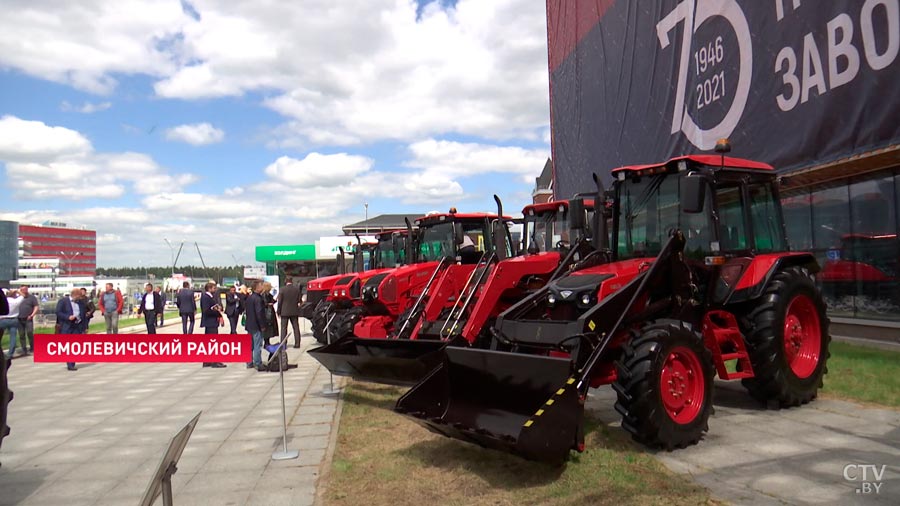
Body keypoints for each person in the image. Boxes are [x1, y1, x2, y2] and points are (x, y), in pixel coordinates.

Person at [56, 289, 86, 371]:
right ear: (75, 295)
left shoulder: (80, 303)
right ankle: (70, 364)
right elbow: (58, 312)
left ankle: (72, 362)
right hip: (67, 326)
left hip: (77, 326)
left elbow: (83, 314)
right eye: (79, 296)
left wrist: (84, 327)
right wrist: (67, 317)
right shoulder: (63, 301)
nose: (80, 298)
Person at [199, 282, 226, 368]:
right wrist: (217, 312)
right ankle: (214, 361)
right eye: (214, 288)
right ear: (209, 289)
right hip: (210, 322)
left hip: (211, 322)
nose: (215, 290)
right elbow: (207, 310)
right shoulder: (206, 297)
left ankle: (207, 360)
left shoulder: (209, 297)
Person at [244, 282, 267, 371]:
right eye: (261, 286)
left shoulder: (249, 298)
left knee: (250, 345)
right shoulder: (258, 299)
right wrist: (262, 325)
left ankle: (249, 362)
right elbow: (259, 313)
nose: (263, 287)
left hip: (249, 324)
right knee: (257, 344)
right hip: (256, 325)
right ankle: (258, 362)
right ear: (257, 288)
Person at [277, 277, 303, 348]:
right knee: (296, 327)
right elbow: (300, 301)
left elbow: (280, 302)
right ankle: (297, 343)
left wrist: (278, 311)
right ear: (292, 281)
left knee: (283, 328)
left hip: (284, 311)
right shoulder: (296, 289)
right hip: (294, 311)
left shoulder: (282, 289)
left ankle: (283, 344)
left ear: (285, 281)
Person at [16, 285, 40, 355]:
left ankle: (32, 347)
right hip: (19, 319)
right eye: (23, 290)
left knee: (29, 332)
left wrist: (32, 315)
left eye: (26, 289)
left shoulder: (32, 298)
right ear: (20, 290)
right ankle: (24, 349)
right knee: (21, 334)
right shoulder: (18, 298)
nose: (24, 291)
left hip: (28, 318)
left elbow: (36, 306)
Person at [1, 291, 22, 360]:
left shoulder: (3, 301)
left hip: (3, 319)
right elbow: (23, 296)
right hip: (13, 320)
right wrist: (17, 291)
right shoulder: (16, 301)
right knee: (13, 337)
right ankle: (10, 354)